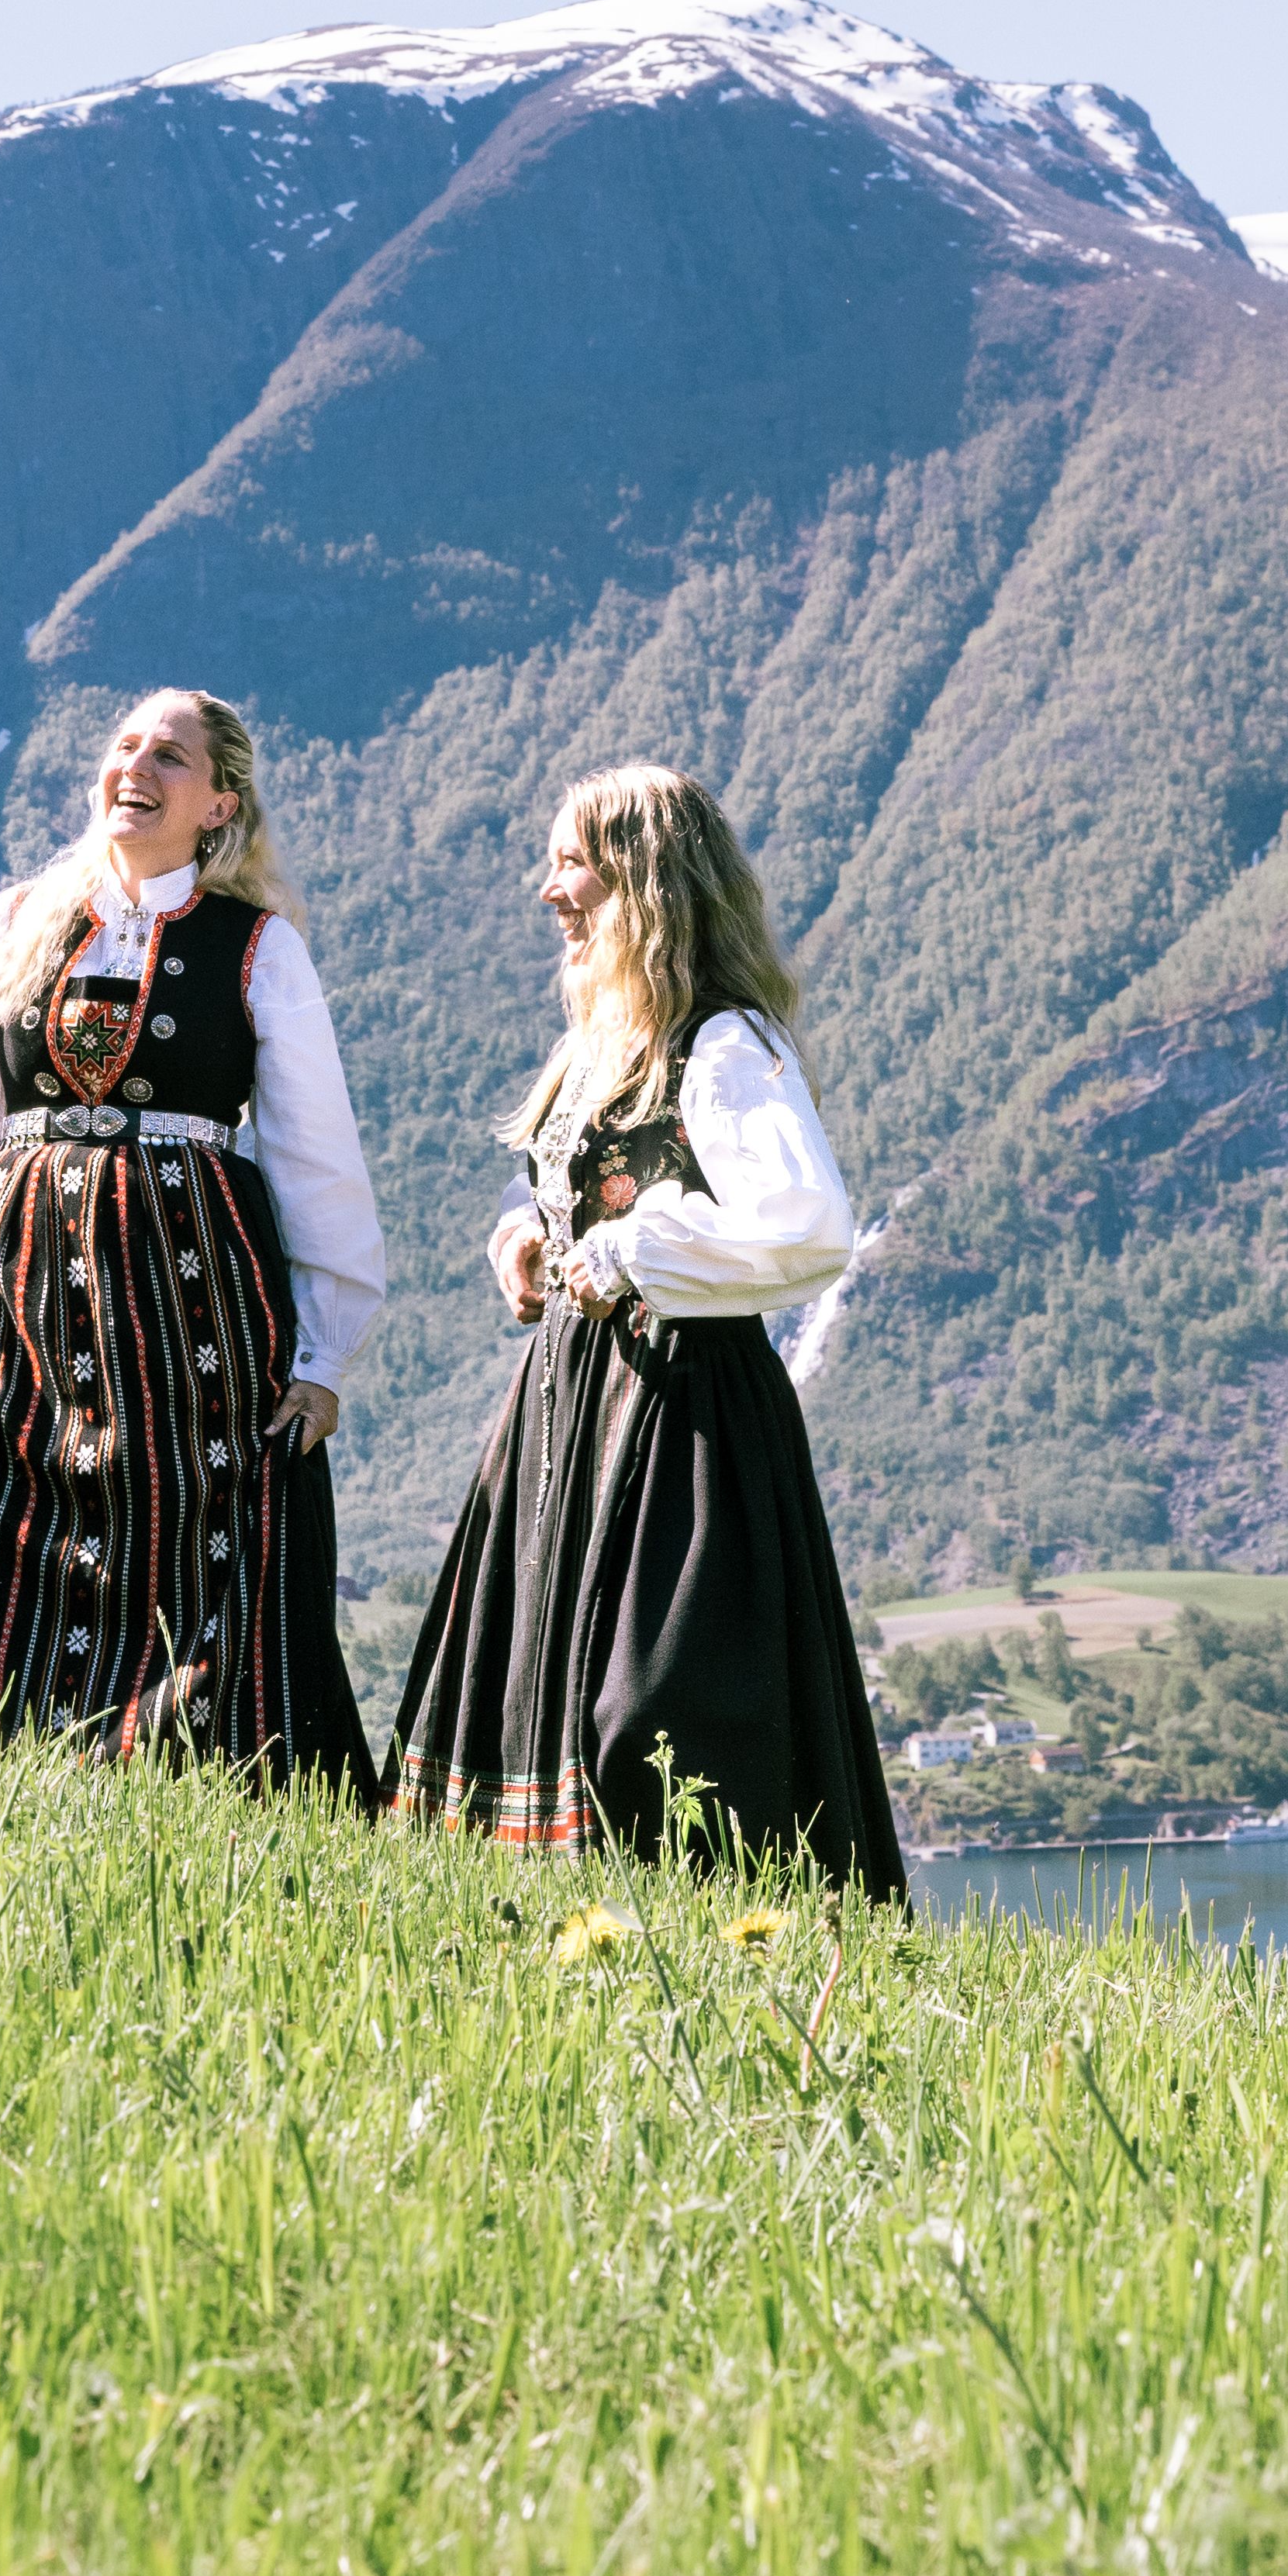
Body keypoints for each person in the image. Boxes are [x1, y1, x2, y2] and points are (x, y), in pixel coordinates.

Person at [390, 763, 900, 1895]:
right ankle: (561, 1926)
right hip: (573, 1396)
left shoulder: (723, 1043)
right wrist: (534, 1232)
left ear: (641, 880)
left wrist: (629, 1253)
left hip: (685, 1413)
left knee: (655, 1703)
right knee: (554, 1681)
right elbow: (609, 1192)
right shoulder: (606, 1038)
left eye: (570, 862)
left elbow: (807, 1228)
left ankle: (723, 1931)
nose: (547, 890)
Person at [0, 688, 388, 1786]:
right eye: (124, 744)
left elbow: (314, 1153)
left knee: (176, 1505)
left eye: (172, 755)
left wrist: (324, 1354)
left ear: (219, 805)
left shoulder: (257, 948)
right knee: (7, 1499)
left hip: (185, 1280)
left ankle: (170, 1754)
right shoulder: (20, 924)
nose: (136, 765)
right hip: (19, 1281)